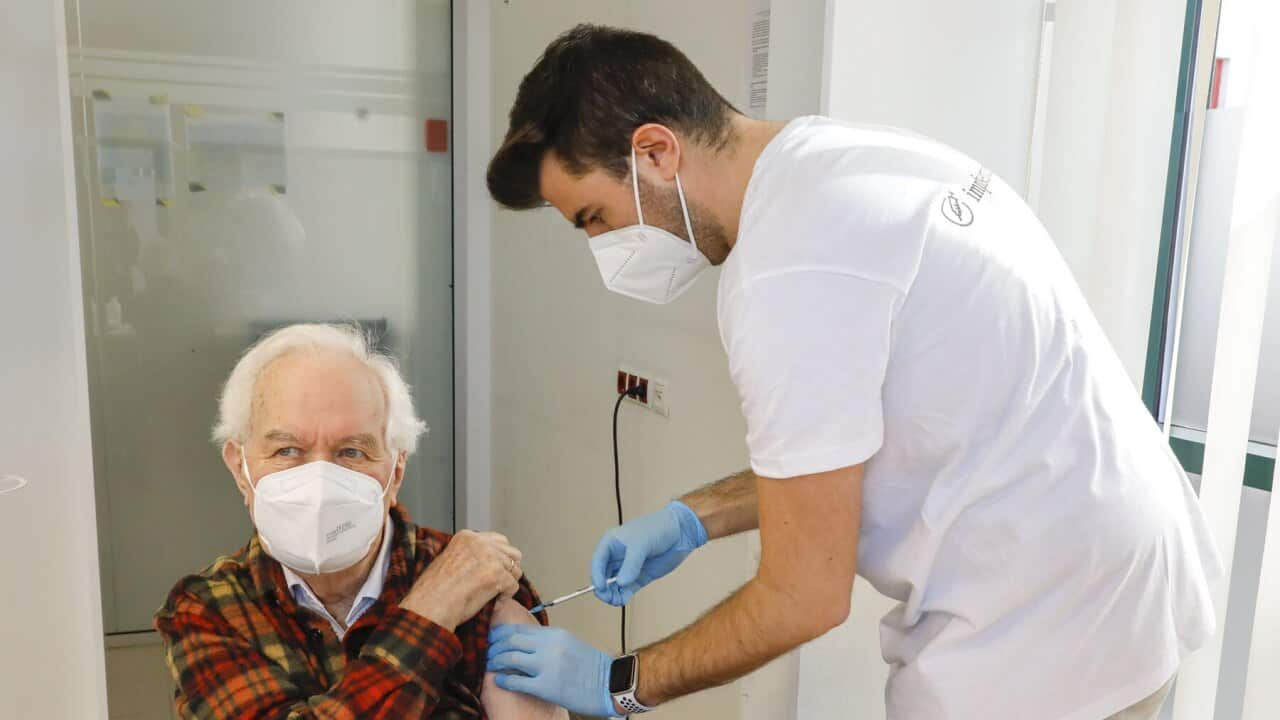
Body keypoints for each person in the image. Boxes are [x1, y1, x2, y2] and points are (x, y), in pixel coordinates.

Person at [482, 24, 1222, 720]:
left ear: (655, 152)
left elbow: (802, 598)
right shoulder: (845, 160)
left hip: (1045, 638)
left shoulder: (785, 273)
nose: (602, 247)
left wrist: (617, 683)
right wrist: (694, 517)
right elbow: (855, 452)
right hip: (1128, 578)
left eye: (594, 218)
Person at [154, 323, 568, 720]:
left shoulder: (477, 578)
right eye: (287, 450)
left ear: (396, 471)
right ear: (240, 468)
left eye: (351, 452)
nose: (319, 483)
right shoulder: (207, 609)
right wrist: (432, 609)